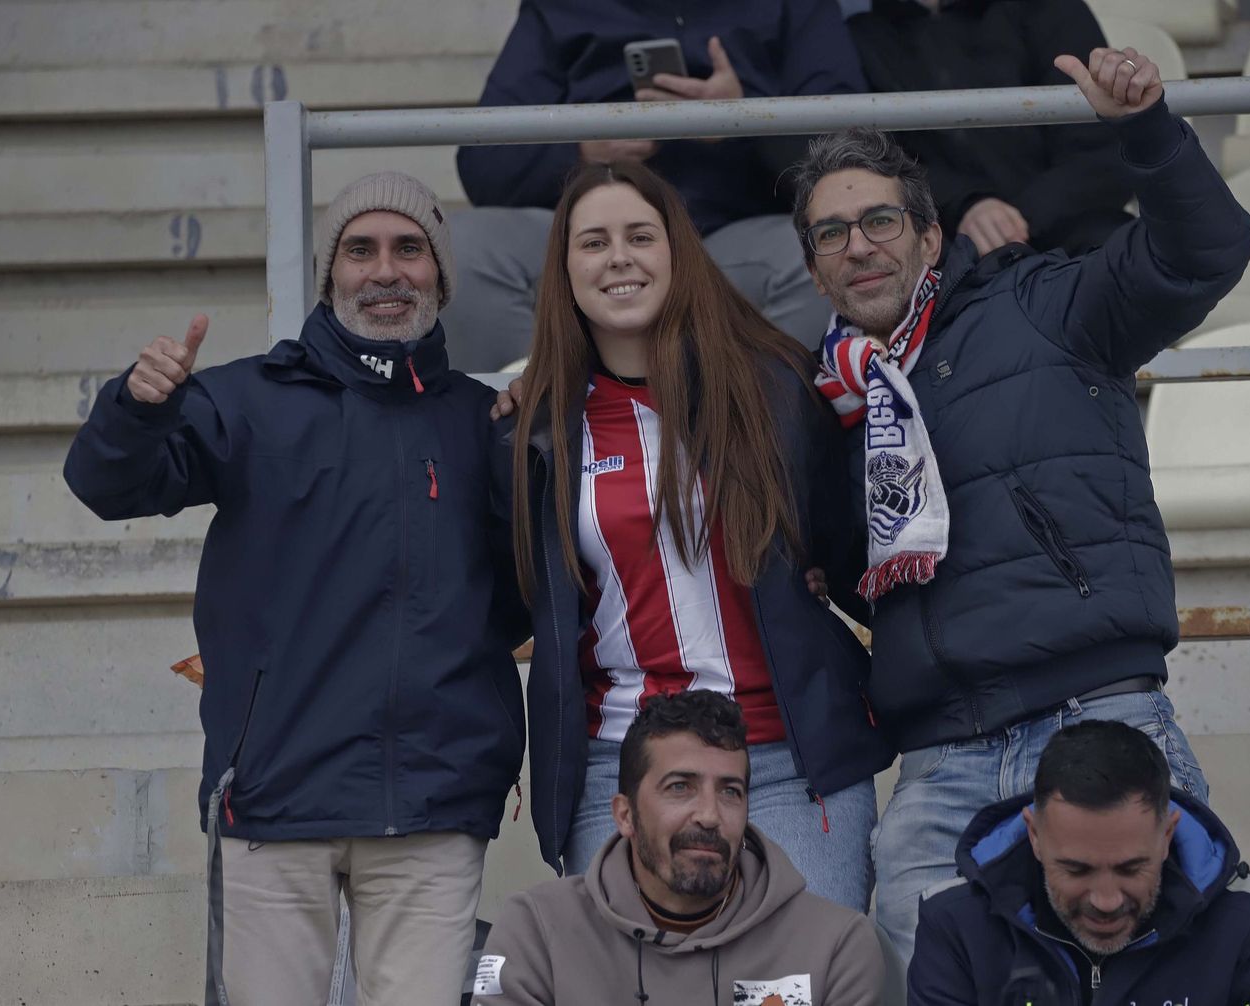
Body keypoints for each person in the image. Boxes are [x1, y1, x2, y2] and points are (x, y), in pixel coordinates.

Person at [788, 48, 1250, 961]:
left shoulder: (1045, 302)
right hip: (942, 754)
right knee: (935, 976)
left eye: (879, 219)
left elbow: (1204, 252)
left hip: (1099, 715)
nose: (858, 245)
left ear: (930, 236)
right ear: (814, 272)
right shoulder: (829, 402)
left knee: (1165, 975)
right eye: (832, 234)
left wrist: (1146, 130)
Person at [63, 172, 525, 1005]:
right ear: (329, 275)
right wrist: (134, 408)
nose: (385, 271)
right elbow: (108, 485)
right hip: (274, 800)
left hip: (433, 804)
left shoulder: (484, 420)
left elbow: (519, 602)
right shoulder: (247, 400)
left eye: (409, 249)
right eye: (360, 250)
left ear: (441, 276)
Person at [504, 158, 893, 911]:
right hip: (625, 764)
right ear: (565, 270)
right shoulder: (537, 431)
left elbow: (850, 554)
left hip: (783, 759)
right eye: (593, 242)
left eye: (641, 235)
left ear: (676, 251)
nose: (619, 256)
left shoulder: (777, 386)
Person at [445, 0, 868, 371]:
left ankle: (759, 428)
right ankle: (535, 428)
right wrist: (583, 149)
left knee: (830, 248)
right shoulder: (559, 8)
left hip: (731, 238)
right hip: (587, 235)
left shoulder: (795, 5)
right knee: (466, 248)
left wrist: (745, 122)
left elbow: (849, 157)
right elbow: (484, 164)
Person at [471, 689, 886, 1006]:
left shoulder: (834, 944)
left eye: (730, 791)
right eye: (680, 787)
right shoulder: (538, 929)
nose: (709, 814)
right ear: (625, 814)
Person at [907, 720, 1250, 1006]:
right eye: (1076, 870)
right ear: (1035, 836)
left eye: (1131, 868)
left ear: (1167, 836)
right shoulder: (955, 923)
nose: (1107, 900)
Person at [847, 0, 1136, 256]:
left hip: (1076, 235)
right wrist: (966, 205)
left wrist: (1013, 222)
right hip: (945, 247)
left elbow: (1103, 150)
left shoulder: (1048, 9)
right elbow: (879, 160)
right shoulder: (860, 37)